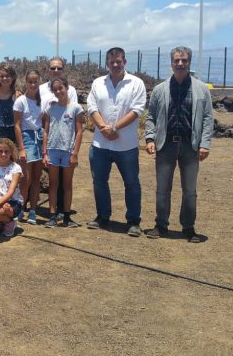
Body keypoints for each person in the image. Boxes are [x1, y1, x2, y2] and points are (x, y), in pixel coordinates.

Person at [144, 46, 214, 243]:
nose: (180, 63)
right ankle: (161, 225)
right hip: (165, 145)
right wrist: (150, 138)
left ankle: (188, 227)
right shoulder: (160, 89)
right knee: (162, 189)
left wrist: (205, 144)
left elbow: (208, 118)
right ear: (171, 63)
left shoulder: (201, 89)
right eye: (177, 60)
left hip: (190, 146)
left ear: (189, 62)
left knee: (190, 191)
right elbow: (151, 117)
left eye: (184, 60)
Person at [86, 47, 147, 236]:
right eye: (111, 62)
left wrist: (113, 128)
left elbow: (137, 110)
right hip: (100, 144)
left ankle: (133, 221)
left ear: (124, 62)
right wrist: (103, 128)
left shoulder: (136, 83)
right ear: (107, 63)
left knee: (131, 183)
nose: (115, 64)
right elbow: (91, 107)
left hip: (126, 145)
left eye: (118, 61)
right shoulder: (98, 83)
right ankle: (103, 217)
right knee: (99, 182)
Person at [38, 57, 78, 223]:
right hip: (46, 135)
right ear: (48, 70)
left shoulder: (72, 90)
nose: (55, 71)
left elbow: (73, 116)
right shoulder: (41, 89)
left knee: (64, 178)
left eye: (59, 68)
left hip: (65, 140)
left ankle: (63, 210)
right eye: (52, 68)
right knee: (50, 177)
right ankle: (51, 211)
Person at [42, 77, 84, 228]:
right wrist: (44, 153)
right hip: (52, 150)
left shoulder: (76, 108)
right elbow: (46, 131)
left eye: (61, 88)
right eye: (55, 90)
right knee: (53, 184)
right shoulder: (50, 109)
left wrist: (75, 153)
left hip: (67, 151)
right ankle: (52, 216)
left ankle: (67, 216)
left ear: (66, 88)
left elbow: (79, 132)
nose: (58, 91)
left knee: (67, 185)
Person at [13, 69, 43, 224]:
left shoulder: (42, 100)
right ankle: (21, 208)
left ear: (39, 82)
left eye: (35, 81)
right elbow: (17, 125)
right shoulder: (21, 101)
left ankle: (33, 210)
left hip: (40, 137)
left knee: (37, 177)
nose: (33, 84)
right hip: (27, 138)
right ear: (26, 82)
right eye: (30, 82)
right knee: (26, 178)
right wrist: (21, 148)